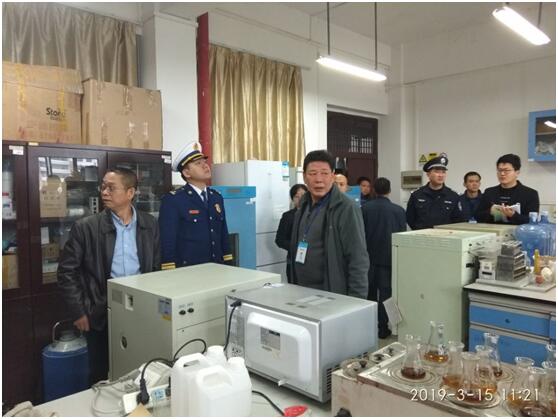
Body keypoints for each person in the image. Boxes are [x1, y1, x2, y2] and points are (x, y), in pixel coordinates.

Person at [58, 168, 160, 385]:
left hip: (141, 308)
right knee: (100, 370)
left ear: (130, 193)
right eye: (103, 187)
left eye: (111, 188)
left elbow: (156, 268)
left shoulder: (149, 224)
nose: (104, 192)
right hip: (100, 310)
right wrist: (79, 311)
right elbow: (67, 272)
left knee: (140, 366)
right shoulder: (86, 227)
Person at [290, 150, 369, 299]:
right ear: (304, 177)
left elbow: (358, 258)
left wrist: (356, 302)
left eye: (324, 173)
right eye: (313, 173)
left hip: (331, 294)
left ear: (332, 176)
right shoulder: (303, 205)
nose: (319, 179)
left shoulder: (346, 208)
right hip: (301, 292)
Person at [159, 141, 233, 269]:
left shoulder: (216, 197)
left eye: (204, 162)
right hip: (189, 270)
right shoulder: (174, 200)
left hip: (217, 267)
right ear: (186, 173)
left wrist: (228, 261)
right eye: (198, 163)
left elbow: (223, 233)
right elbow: (168, 240)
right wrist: (169, 269)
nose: (205, 166)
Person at [362, 177, 407, 339]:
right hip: (389, 259)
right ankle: (383, 328)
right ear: (389, 190)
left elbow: (360, 234)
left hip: (368, 259)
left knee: (369, 294)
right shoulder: (399, 211)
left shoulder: (364, 209)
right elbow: (402, 235)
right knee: (386, 295)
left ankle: (368, 327)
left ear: (374, 190)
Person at [475, 154, 539, 224]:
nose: (502, 174)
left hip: (517, 230)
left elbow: (532, 221)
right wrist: (490, 211)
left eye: (506, 170)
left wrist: (513, 215)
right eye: (499, 170)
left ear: (517, 172)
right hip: (493, 230)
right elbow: (478, 217)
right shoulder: (489, 192)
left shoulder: (530, 194)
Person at [406, 153, 462, 230]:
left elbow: (458, 220)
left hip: (445, 236)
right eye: (437, 171)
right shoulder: (417, 195)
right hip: (422, 235)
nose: (441, 175)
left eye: (443, 172)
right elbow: (410, 218)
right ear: (428, 174)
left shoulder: (453, 196)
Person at [275, 184, 308, 282]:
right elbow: (279, 240)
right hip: (294, 260)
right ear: (292, 199)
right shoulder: (288, 216)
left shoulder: (316, 214)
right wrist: (296, 247)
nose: (300, 199)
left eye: (303, 195)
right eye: (297, 196)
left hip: (313, 260)